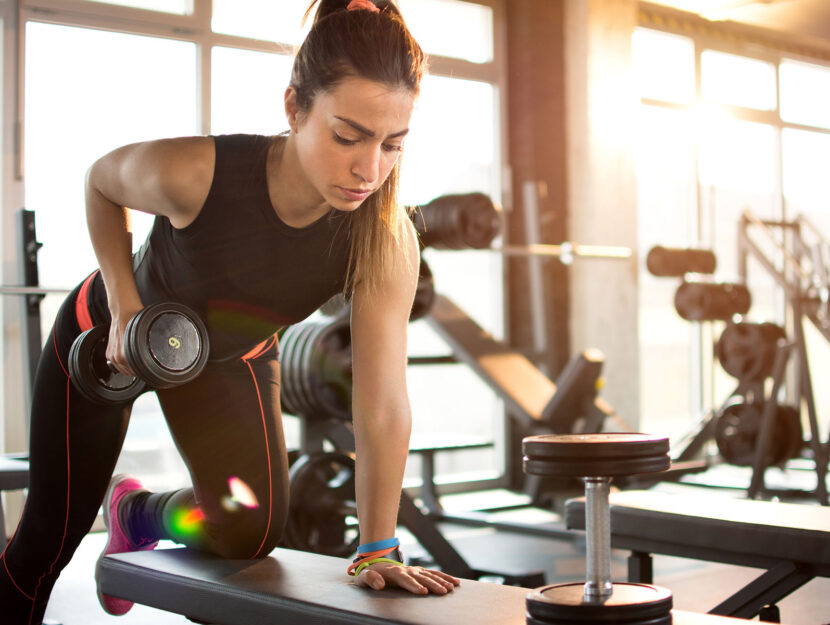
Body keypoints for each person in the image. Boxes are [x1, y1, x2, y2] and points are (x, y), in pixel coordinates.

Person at [0, 1, 461, 622]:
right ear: (296, 107)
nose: (368, 169)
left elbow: (380, 402)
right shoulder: (199, 172)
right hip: (112, 336)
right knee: (47, 541)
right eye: (348, 136)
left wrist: (376, 547)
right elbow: (101, 182)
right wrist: (125, 302)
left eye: (392, 145)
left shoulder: (383, 238)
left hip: (225, 356)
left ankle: (137, 513)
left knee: (251, 530)